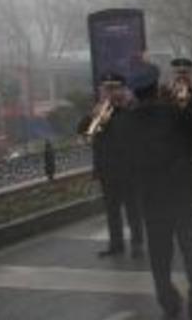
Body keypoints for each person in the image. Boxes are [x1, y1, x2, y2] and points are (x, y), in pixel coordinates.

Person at [122, 60, 192, 318]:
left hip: (150, 198)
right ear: (157, 86)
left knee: (159, 254)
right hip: (182, 194)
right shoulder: (175, 113)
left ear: (134, 92)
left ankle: (168, 302)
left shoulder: (127, 122)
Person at [77, 72, 143, 259]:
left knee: (133, 208)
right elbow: (83, 131)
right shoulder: (98, 111)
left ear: (123, 90)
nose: (110, 92)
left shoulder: (132, 109)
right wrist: (93, 115)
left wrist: (127, 105)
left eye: (114, 88)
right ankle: (116, 244)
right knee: (112, 210)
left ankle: (137, 243)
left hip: (129, 168)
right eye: (106, 88)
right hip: (107, 168)